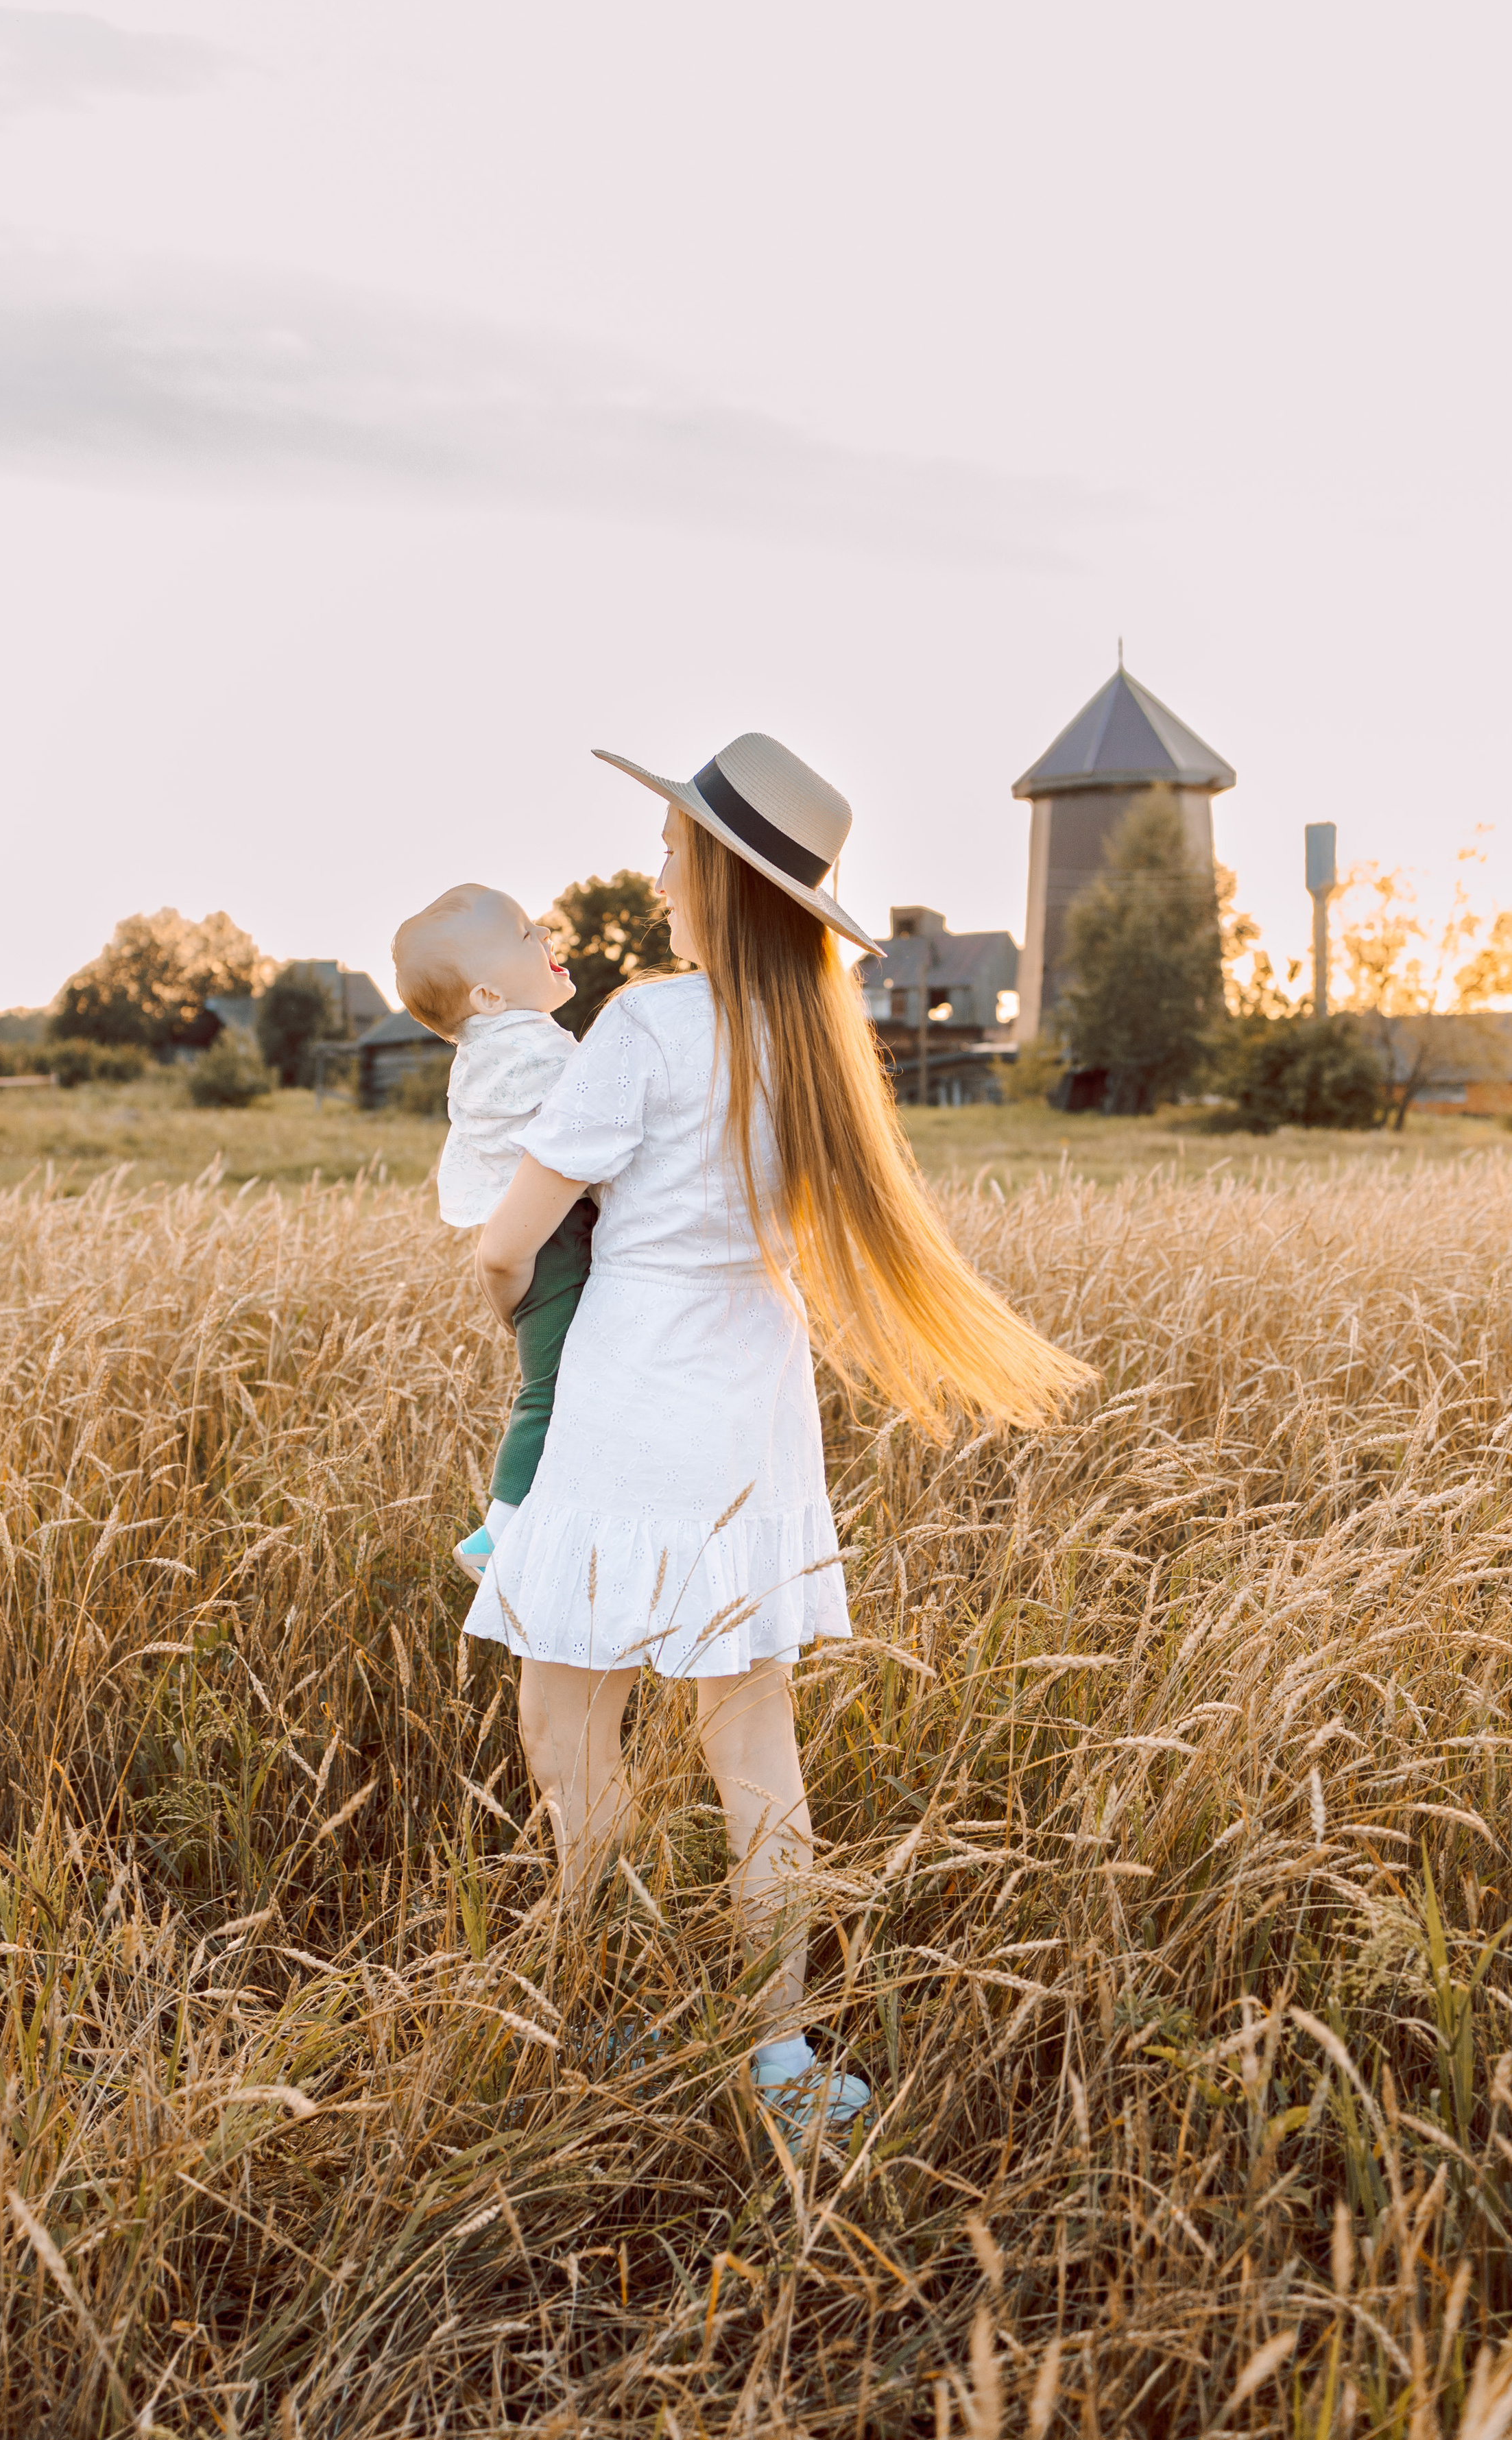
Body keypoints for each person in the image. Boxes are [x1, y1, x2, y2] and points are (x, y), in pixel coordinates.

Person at [463, 732, 1088, 2135]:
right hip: (751, 1405)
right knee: (755, 1750)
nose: (654, 862)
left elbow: (505, 1247)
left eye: (673, 844)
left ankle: (590, 2010)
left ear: (714, 877)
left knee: (570, 1722)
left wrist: (526, 1319)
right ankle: (781, 2062)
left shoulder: (641, 1023)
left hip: (627, 1397)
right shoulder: (818, 1042)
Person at [390, 884, 590, 1579]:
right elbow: (596, 1104)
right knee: (549, 1388)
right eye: (522, 934)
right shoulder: (526, 1049)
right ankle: (497, 1535)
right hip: (554, 1238)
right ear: (487, 998)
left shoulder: (496, 1042)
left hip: (542, 1233)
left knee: (555, 1385)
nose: (543, 932)